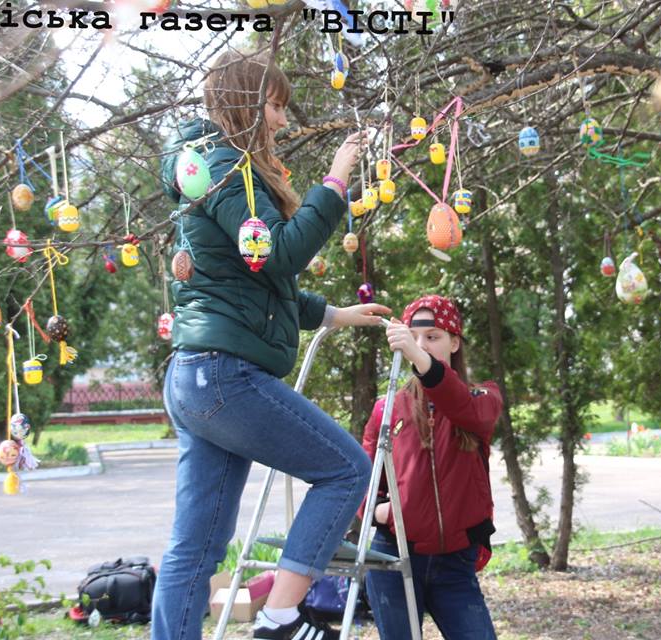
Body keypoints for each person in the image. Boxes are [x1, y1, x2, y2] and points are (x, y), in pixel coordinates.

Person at [152, 50, 390, 640]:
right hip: (222, 376)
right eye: (277, 105)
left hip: (195, 374)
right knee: (346, 469)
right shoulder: (225, 168)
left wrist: (334, 314)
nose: (283, 120)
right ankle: (280, 618)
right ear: (246, 102)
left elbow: (253, 283)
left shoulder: (210, 171)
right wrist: (334, 182)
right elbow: (281, 254)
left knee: (197, 547)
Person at [361, 295, 501, 640]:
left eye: (432, 336)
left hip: (455, 563)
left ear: (455, 342)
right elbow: (363, 481)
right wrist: (383, 512)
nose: (419, 345)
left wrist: (421, 359)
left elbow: (462, 406)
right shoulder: (387, 407)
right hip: (393, 555)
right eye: (414, 337)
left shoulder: (482, 396)